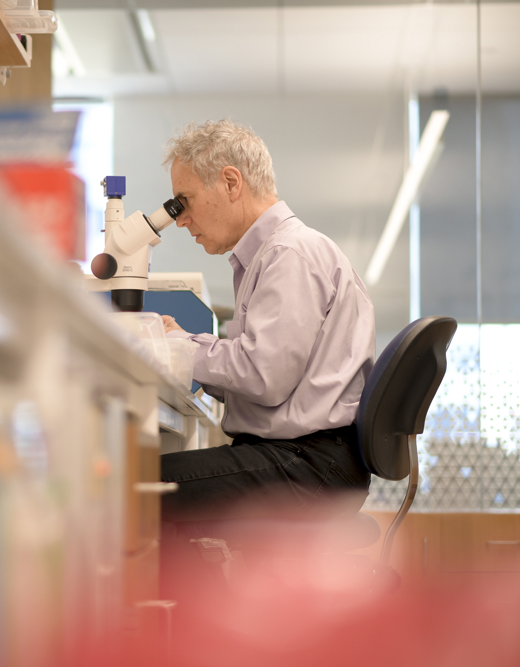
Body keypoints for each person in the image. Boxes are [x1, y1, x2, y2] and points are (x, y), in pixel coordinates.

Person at [158, 119, 376, 529]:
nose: (181, 220)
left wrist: (179, 350)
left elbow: (263, 376)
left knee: (143, 491)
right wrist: (183, 342)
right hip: (306, 458)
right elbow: (263, 374)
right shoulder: (270, 257)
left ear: (230, 182)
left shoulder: (290, 254)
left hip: (307, 464)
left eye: (184, 201)